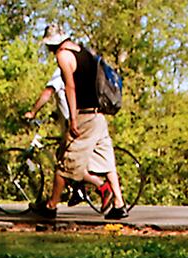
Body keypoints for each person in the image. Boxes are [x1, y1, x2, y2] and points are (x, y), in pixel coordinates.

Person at [30, 24, 127, 221]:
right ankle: (119, 204)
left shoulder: (63, 56)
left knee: (65, 163)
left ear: (51, 44)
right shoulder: (85, 52)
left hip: (84, 117)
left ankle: (51, 207)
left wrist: (73, 118)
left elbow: (70, 88)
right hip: (99, 116)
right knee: (107, 163)